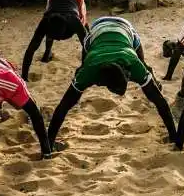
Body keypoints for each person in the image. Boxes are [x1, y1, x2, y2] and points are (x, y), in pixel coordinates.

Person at [47, 17, 176, 150]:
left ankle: (151, 78)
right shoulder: (89, 69)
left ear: (127, 75)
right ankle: (51, 143)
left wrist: (174, 135)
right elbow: (64, 105)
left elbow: (160, 101)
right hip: (96, 31)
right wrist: (48, 144)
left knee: (145, 70)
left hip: (125, 28)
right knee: (80, 71)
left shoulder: (134, 63)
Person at [21, 0, 89, 81]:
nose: (58, 40)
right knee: (39, 39)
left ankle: (89, 30)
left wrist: (83, 68)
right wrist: (24, 76)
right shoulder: (45, 21)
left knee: (84, 20)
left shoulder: (74, 21)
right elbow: (31, 48)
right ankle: (47, 53)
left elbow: (87, 45)